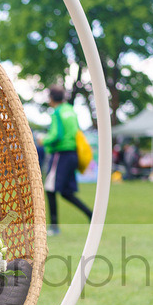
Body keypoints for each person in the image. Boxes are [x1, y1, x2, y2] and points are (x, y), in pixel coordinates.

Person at [42, 86, 93, 234]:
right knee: (66, 192)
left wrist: (43, 140)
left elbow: (56, 135)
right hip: (73, 154)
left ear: (51, 98)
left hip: (61, 154)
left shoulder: (57, 112)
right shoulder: (71, 110)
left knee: (50, 190)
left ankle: (54, 227)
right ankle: (91, 214)